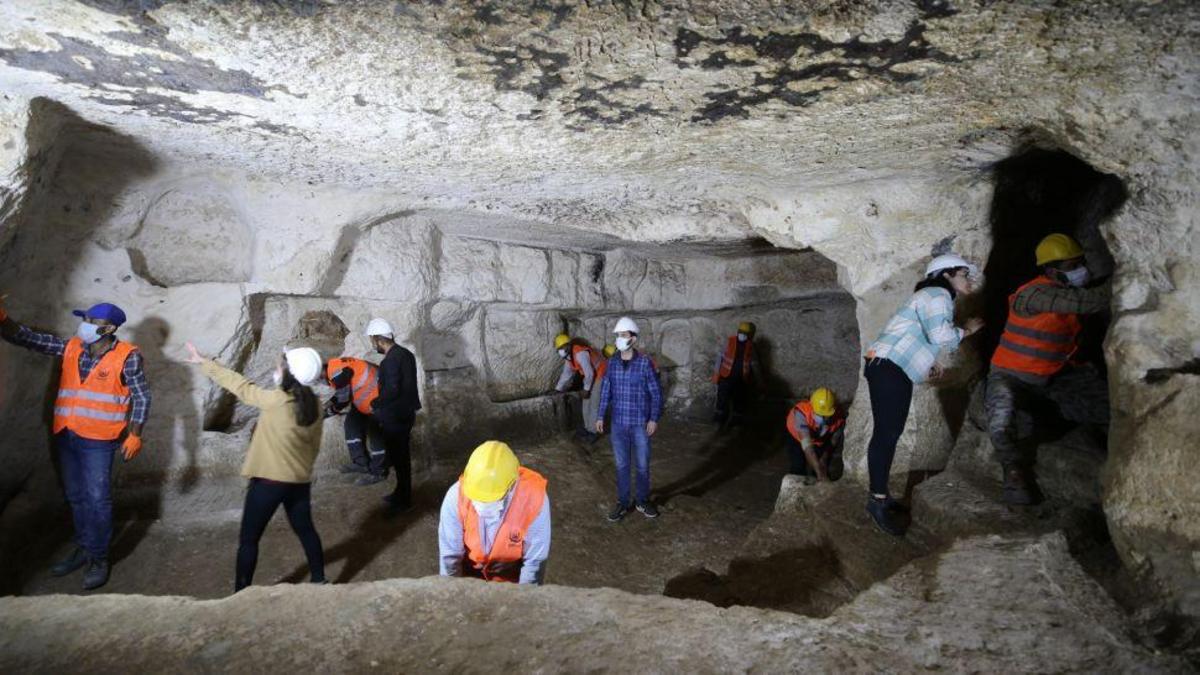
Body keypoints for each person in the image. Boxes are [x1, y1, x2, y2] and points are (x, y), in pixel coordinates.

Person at [0, 299, 151, 591]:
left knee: (97, 499)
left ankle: (98, 556)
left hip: (99, 439)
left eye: (90, 322)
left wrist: (135, 433)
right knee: (76, 496)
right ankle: (84, 547)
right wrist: (4, 319)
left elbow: (142, 396)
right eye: (85, 320)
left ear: (109, 328)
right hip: (67, 433)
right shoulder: (72, 347)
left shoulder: (127, 356)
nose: (83, 326)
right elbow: (29, 338)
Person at [185, 342, 326, 593]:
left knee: (249, 540)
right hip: (299, 482)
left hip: (269, 483)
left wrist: (205, 363)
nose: (278, 365)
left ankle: (241, 593)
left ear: (290, 372)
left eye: (282, 363)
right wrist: (302, 472)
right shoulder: (315, 404)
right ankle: (319, 579)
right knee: (306, 531)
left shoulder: (275, 400)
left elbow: (240, 386)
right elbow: (314, 446)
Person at [863, 254, 983, 536]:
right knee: (887, 434)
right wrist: (969, 329)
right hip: (888, 368)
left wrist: (927, 362)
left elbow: (917, 335)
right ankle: (876, 502)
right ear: (945, 274)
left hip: (888, 366)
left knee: (888, 433)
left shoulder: (931, 296)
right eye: (964, 274)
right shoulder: (938, 293)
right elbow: (941, 335)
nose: (969, 280)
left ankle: (880, 495)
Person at [986, 234, 1110, 505]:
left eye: (1081, 263)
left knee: (1110, 408)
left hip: (1055, 375)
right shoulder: (1035, 294)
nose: (1080, 269)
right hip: (1010, 377)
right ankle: (1014, 470)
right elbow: (1090, 302)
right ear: (1051, 270)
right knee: (1000, 423)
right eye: (1072, 265)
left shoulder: (1067, 292)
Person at [438, 441, 550, 584]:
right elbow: (450, 561)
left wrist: (522, 600)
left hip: (510, 582)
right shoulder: (455, 497)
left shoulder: (534, 499)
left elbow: (534, 564)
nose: (483, 505)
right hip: (469, 580)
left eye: (493, 498)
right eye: (478, 498)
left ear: (512, 486)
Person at [595, 317, 663, 521]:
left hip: (640, 424)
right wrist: (600, 415)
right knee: (622, 465)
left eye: (623, 336)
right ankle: (623, 503)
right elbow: (606, 390)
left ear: (633, 339)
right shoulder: (612, 363)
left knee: (642, 465)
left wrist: (653, 419)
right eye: (618, 336)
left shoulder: (644, 363)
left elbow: (656, 393)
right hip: (618, 424)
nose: (619, 339)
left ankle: (642, 501)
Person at [366, 318, 421, 514]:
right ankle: (401, 492)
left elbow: (391, 389)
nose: (373, 344)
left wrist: (375, 403)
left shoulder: (390, 360)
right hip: (406, 413)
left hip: (395, 415)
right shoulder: (405, 354)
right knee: (401, 456)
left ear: (378, 340)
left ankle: (404, 500)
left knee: (399, 458)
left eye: (373, 341)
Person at [323, 356, 387, 486]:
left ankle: (379, 471)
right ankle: (361, 463)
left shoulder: (337, 373)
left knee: (375, 435)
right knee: (351, 426)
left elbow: (343, 400)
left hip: (377, 400)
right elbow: (341, 393)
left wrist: (325, 414)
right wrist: (327, 404)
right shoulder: (333, 367)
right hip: (363, 401)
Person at [785, 387, 846, 481]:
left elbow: (832, 442)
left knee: (822, 465)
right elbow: (808, 448)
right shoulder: (801, 415)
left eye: (827, 415)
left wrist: (824, 459)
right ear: (812, 408)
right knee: (798, 465)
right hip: (796, 438)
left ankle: (816, 478)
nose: (824, 418)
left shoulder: (839, 418)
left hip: (820, 440)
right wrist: (820, 474)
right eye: (820, 415)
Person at [711, 321, 762, 426]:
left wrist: (759, 379)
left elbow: (754, 363)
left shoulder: (750, 346)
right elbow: (720, 357)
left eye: (745, 333)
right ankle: (719, 420)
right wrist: (716, 374)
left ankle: (736, 422)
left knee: (739, 401)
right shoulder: (729, 341)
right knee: (722, 399)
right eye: (741, 332)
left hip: (741, 379)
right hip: (726, 376)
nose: (742, 335)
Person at [553, 333, 601, 442]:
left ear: (569, 345)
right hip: (591, 375)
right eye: (559, 348)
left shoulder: (580, 353)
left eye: (563, 347)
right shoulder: (569, 357)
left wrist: (586, 389)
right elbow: (566, 374)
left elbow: (589, 373)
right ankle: (588, 427)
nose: (561, 350)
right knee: (586, 403)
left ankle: (593, 432)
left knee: (594, 403)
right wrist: (558, 389)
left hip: (601, 374)